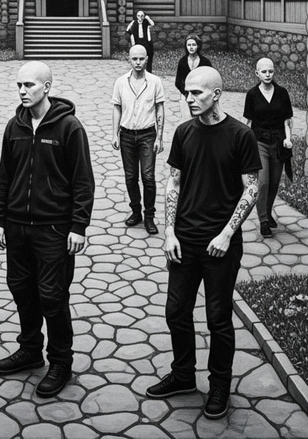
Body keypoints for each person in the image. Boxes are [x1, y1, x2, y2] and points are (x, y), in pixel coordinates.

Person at [146, 66, 260, 422]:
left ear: (216, 94)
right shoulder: (183, 133)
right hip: (184, 241)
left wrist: (227, 234)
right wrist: (169, 231)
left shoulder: (241, 135)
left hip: (220, 246)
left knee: (218, 319)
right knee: (176, 312)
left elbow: (252, 188)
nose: (189, 98)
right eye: (186, 93)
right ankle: (182, 375)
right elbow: (174, 183)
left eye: (196, 93)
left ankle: (219, 385)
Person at [0, 61, 95, 398]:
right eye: (19, 85)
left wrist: (78, 226)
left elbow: (83, 181)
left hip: (54, 228)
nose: (22, 91)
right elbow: (5, 175)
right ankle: (30, 350)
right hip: (17, 226)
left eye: (29, 85)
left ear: (47, 87)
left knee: (53, 296)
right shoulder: (15, 126)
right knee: (21, 289)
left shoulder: (69, 128)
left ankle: (61, 362)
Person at [111, 44, 165, 234]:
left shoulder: (155, 81)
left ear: (147, 59)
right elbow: (117, 107)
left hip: (147, 135)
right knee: (130, 176)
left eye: (141, 59)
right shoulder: (120, 82)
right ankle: (136, 211)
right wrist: (114, 133)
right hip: (126, 135)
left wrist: (159, 137)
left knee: (148, 177)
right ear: (129, 59)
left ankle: (149, 216)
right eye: (134, 59)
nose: (138, 62)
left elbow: (159, 109)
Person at [243, 57, 294, 238]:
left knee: (273, 183)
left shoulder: (282, 93)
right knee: (263, 182)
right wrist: (244, 143)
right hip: (259, 142)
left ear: (274, 72)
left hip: (278, 143)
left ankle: (268, 211)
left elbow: (287, 120)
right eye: (264, 72)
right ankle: (264, 220)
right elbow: (248, 122)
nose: (267, 74)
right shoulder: (252, 94)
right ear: (257, 73)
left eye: (270, 71)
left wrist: (288, 138)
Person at [174, 34, 212, 122]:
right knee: (188, 121)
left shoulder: (205, 62)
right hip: (186, 95)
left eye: (193, 45)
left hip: (201, 96)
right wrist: (186, 93)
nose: (191, 47)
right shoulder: (182, 62)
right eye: (189, 45)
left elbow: (210, 79)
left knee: (202, 120)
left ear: (198, 46)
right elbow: (178, 82)